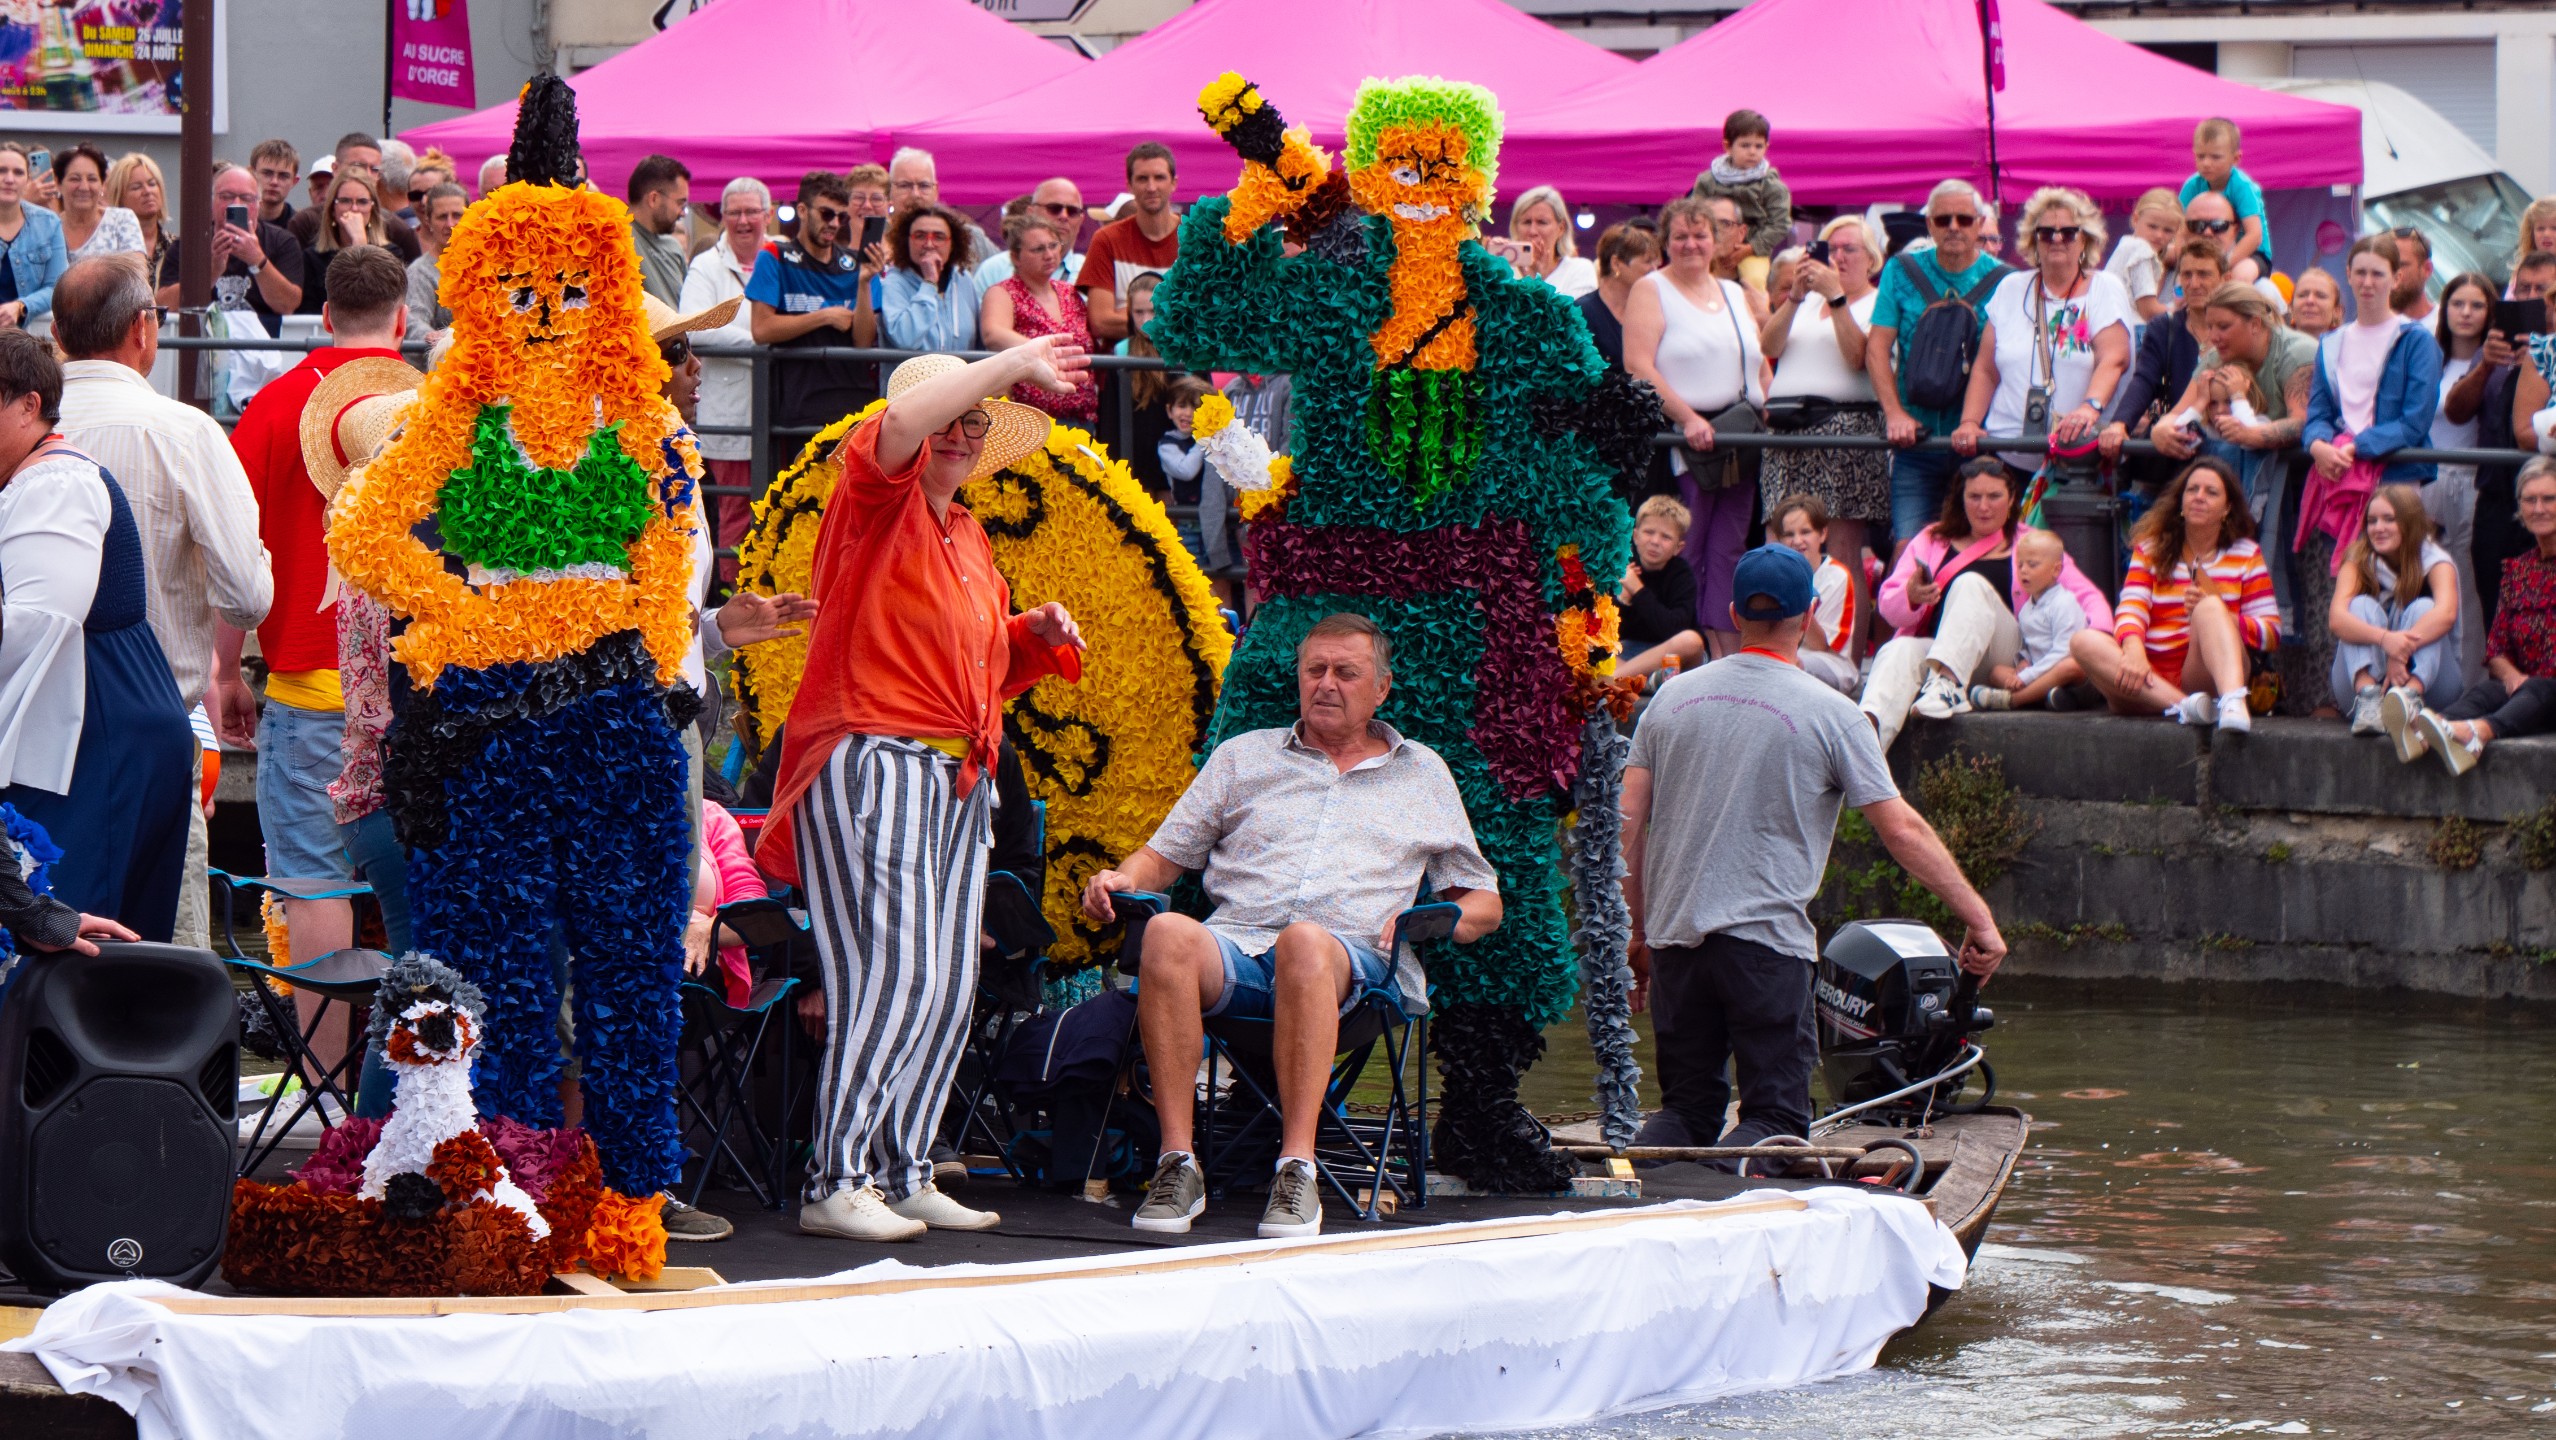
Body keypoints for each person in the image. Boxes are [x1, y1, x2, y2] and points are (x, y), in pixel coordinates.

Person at [754, 339, 1089, 1243]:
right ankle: (837, 1178)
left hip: (957, 773)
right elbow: (901, 421)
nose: (962, 435)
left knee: (948, 983)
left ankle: (902, 1171)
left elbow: (974, 668)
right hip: (876, 756)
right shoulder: (874, 497)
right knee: (897, 976)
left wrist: (1030, 633)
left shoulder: (968, 534)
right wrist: (1014, 359)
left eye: (975, 424)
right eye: (952, 420)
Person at [1086, 613, 1502, 1239]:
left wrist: (1434, 920)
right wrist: (1122, 878)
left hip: (1357, 969)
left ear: (1381, 688)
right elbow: (1162, 855)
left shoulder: (1423, 774)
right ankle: (1177, 1163)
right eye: (1315, 670)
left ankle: (1297, 1168)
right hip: (1240, 953)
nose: (1326, 684)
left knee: (1304, 940)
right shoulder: (1243, 756)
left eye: (1345, 672)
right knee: (1168, 932)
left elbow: (1483, 900)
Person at [1621, 543, 2003, 1158]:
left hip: (1676, 949)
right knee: (1776, 1119)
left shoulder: (1668, 700)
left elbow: (1625, 825)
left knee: (1684, 1112)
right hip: (1765, 950)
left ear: (1733, 613)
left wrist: (1637, 935)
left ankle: (1643, 1188)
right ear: (1809, 613)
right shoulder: (1834, 713)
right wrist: (1979, 919)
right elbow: (1902, 831)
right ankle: (1741, 1195)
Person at [55, 255, 273, 948]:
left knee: (41, 953)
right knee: (162, 968)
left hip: (32, 732)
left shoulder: (25, 424)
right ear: (143, 329)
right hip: (151, 734)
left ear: (57, 335)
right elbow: (247, 597)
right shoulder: (185, 431)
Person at [222, 246, 411, 975]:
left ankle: (322, 1053)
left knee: (313, 882)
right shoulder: (434, 409)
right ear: (403, 320)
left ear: (326, 316)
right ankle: (430, 1040)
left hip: (307, 681)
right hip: (417, 688)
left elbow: (237, 550)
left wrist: (225, 670)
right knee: (423, 882)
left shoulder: (274, 405)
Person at [0, 328, 193, 938]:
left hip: (96, 728)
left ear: (28, 404)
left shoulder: (55, 483)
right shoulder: (36, 478)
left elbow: (38, 623)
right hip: (94, 718)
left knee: (77, 941)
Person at [1865, 459, 2112, 745]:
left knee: (1970, 584)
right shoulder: (1932, 539)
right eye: (1974, 496)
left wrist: (2100, 641)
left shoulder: (2030, 543)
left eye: (1994, 496)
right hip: (1938, 649)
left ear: (2011, 499)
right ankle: (1864, 739)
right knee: (1898, 648)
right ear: (1961, 498)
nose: (1984, 506)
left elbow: (2088, 596)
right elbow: (1889, 609)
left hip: (2005, 659)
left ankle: (1948, 685)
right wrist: (1910, 595)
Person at [2299, 234, 2443, 707]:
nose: (2367, 282)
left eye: (2377, 273)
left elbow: (2415, 420)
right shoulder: (2331, 342)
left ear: (2395, 278)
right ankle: (2356, 691)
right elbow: (2318, 412)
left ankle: (2407, 691)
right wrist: (2318, 444)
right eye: (2359, 272)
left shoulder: (2416, 340)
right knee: (2346, 591)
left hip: (2396, 482)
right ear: (2348, 275)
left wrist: (2353, 447)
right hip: (2339, 480)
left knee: (2403, 586)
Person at [1625, 195, 1766, 660]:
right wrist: (1687, 418)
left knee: (1730, 547)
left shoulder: (1734, 292)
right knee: (1687, 544)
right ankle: (1684, 647)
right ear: (1666, 241)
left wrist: (1769, 409)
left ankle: (1726, 648)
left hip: (1739, 437)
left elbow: (1757, 361)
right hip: (1684, 439)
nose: (1690, 244)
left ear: (1716, 240)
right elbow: (1638, 365)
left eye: (1700, 235)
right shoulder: (1650, 288)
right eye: (1680, 236)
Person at [2070, 457, 2278, 730]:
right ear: (2181, 501)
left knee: (2209, 608)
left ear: (2227, 508)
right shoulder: (2150, 549)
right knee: (2083, 641)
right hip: (2147, 675)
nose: (2199, 497)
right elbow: (2132, 607)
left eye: (2211, 492)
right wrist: (2133, 651)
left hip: (2203, 673)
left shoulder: (2247, 555)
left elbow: (2271, 633)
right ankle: (2185, 706)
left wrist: (2223, 616)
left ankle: (2231, 701)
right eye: (2192, 490)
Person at [1951, 186, 2133, 479]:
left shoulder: (2104, 286)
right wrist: (1970, 422)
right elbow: (1985, 369)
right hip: (2006, 451)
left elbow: (2114, 359)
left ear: (2085, 240)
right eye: (2046, 233)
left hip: (2077, 456)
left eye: (2068, 233)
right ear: (2033, 240)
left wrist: (2089, 408)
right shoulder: (2011, 287)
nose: (2057, 239)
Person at [1868, 179, 2006, 552]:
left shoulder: (2006, 279)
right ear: (1929, 224)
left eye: (1964, 219)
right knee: (1908, 551)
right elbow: (1877, 348)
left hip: (1980, 443)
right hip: (1917, 440)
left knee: (1981, 549)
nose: (1954, 227)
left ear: (1980, 224)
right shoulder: (1901, 269)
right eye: (1943, 220)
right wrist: (1894, 414)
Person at [2405, 459, 2556, 773]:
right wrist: (2512, 677)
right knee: (2488, 691)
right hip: (2525, 695)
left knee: (2541, 689)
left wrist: (2529, 685)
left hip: (2548, 692)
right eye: (2530, 500)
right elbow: (2496, 648)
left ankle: (2478, 733)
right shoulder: (2517, 570)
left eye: (2549, 499)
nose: (2539, 508)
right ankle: (2430, 728)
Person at [1761, 215, 1885, 587]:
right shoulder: (1805, 303)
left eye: (1850, 249)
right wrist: (1795, 296)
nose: (1839, 257)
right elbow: (1769, 346)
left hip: (1842, 433)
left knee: (1841, 555)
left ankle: (1841, 627)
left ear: (1871, 259)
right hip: (1787, 433)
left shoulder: (1876, 302)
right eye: (1831, 249)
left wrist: (1836, 298)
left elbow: (1857, 357)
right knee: (1778, 545)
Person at [2147, 278, 2314, 515]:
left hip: (2299, 485)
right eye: (2210, 327)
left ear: (2255, 324)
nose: (2213, 337)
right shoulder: (2216, 356)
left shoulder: (2296, 353)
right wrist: (2161, 430)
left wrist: (2251, 435)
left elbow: (2302, 423)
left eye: (2223, 327)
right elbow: (2177, 413)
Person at [682, 175, 770, 571]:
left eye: (751, 211)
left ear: (768, 214)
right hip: (731, 413)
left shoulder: (779, 255)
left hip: (776, 406)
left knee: (777, 508)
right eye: (734, 213)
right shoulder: (707, 265)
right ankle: (732, 594)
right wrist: (762, 342)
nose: (743, 221)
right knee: (737, 512)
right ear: (722, 217)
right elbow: (695, 325)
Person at [746, 171, 876, 437]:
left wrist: (864, 284)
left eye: (841, 217)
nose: (834, 223)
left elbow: (864, 341)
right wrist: (824, 316)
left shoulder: (856, 264)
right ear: (803, 211)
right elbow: (761, 329)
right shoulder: (774, 255)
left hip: (855, 400)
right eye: (826, 214)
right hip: (798, 405)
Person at [2330, 483, 2461, 735]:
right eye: (2372, 521)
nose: (2378, 528)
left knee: (2425, 607)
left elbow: (2446, 614)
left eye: (2389, 519)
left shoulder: (2436, 561)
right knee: (2358, 606)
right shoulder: (2357, 559)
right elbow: (2337, 619)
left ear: (2410, 522)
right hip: (2358, 693)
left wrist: (2398, 653)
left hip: (2432, 689)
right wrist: (2385, 640)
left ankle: (2409, 697)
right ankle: (2368, 698)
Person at [2097, 239, 2230, 474]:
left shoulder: (2238, 328)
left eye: (2204, 274)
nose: (2194, 283)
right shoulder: (2163, 327)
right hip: (2174, 451)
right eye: (2186, 275)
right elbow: (2144, 380)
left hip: (2229, 449)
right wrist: (2119, 424)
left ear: (2225, 279)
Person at [2427, 270, 2497, 676]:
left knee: (2466, 589)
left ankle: (2470, 686)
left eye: (2476, 305)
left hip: (2470, 481)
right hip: (2425, 481)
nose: (2466, 313)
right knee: (2423, 585)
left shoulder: (2492, 363)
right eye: (2457, 303)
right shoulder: (2430, 359)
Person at [981, 212, 1097, 423]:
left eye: (1053, 246)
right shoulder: (1004, 292)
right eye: (1038, 249)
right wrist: (1043, 352)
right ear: (1015, 257)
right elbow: (993, 334)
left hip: (1081, 416)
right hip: (1030, 422)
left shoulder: (1069, 292)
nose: (1049, 254)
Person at [1968, 530, 2093, 711]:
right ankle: (2046, 697)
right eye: (2019, 565)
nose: (2024, 570)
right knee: (1996, 672)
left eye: (2032, 565)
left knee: (2069, 666)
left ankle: (2013, 700)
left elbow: (2064, 652)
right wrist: (2024, 662)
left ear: (2056, 570)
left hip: (2066, 674)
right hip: (2038, 672)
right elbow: (2030, 644)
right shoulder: (2026, 609)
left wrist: (2028, 676)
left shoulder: (2064, 603)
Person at [1080, 142, 1180, 344]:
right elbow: (1100, 322)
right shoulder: (1107, 240)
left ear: (1174, 183)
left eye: (1159, 177)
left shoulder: (1195, 239)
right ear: (1129, 185)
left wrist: (1128, 313)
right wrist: (1175, 317)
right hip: (1123, 361)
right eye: (1142, 178)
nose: (1151, 187)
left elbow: (1207, 317)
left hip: (1183, 361)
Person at [1769, 493, 1860, 694]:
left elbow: (1820, 645)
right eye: (1789, 534)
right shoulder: (1775, 575)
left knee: (1789, 664)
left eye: (1805, 532)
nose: (1797, 541)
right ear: (1779, 540)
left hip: (1832, 663)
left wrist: (1796, 594)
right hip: (1786, 658)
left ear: (1823, 534)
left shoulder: (1836, 576)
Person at [1687, 109, 1791, 282]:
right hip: (1711, 246)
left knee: (1755, 279)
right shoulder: (1708, 180)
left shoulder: (1772, 186)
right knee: (1693, 274)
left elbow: (1780, 224)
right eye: (1745, 145)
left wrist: (1750, 248)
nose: (1752, 151)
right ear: (1728, 146)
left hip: (1753, 249)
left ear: (1766, 147)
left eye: (1758, 146)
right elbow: (1694, 214)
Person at [287, 133, 422, 263]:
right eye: (358, 166)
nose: (367, 174)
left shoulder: (398, 231)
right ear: (335, 169)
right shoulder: (305, 223)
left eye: (374, 169)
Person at [208, 162, 303, 337]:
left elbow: (287, 305)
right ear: (212, 201)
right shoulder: (192, 243)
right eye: (226, 196)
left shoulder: (283, 241)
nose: (236, 204)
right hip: (206, 345)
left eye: (246, 198)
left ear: (258, 204)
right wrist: (212, 271)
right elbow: (168, 303)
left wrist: (257, 260)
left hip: (265, 346)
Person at [1616, 494, 1704, 682]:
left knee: (1691, 640)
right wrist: (1622, 602)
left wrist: (1638, 591)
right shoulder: (1624, 569)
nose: (1655, 541)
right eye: (1649, 532)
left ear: (1678, 547)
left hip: (1672, 654)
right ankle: (1645, 682)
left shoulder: (1682, 575)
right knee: (1591, 647)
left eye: (1666, 537)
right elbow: (1614, 634)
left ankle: (1617, 679)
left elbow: (1674, 629)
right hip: (1631, 652)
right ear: (1635, 535)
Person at [880, 203, 980, 352]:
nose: (929, 244)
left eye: (939, 237)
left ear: (952, 244)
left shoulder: (963, 278)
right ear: (907, 241)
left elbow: (978, 342)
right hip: (914, 368)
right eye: (920, 236)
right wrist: (929, 283)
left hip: (961, 367)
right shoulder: (894, 282)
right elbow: (905, 339)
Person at [2180, 117, 2270, 279]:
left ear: (2235, 159)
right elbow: (2180, 230)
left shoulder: (2242, 186)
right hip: (2206, 252)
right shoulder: (2192, 185)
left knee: (2240, 275)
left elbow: (2254, 235)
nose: (2206, 163)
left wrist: (2224, 264)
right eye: (2201, 156)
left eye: (2215, 157)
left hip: (2250, 253)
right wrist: (2182, 259)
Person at [1574, 220, 1661, 373]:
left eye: (1656, 264)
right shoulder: (1581, 313)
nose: (1655, 270)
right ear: (1616, 263)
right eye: (1648, 262)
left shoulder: (1655, 311)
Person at [297, 169, 389, 314]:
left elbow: (379, 305)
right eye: (345, 201)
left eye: (362, 202)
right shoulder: (312, 258)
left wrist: (360, 243)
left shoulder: (391, 254)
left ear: (372, 209)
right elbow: (308, 312)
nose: (354, 209)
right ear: (333, 209)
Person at [883, 147, 994, 267]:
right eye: (905, 185)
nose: (915, 194)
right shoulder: (876, 242)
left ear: (936, 191)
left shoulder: (972, 240)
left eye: (924, 186)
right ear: (889, 191)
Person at [0, 145, 68, 330]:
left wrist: (21, 306)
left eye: (18, 172)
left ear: (28, 179)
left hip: (27, 337)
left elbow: (57, 287)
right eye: (2, 170)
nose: (9, 179)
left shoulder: (49, 222)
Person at [975, 177, 1085, 290]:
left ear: (1081, 220)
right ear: (1031, 213)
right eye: (1054, 208)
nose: (1064, 216)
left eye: (1073, 211)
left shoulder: (1089, 274)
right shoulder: (994, 270)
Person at [53, 145, 142, 266]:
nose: (84, 187)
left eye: (92, 179)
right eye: (75, 179)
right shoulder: (49, 227)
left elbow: (138, 271)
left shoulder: (121, 220)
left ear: (102, 184)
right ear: (58, 183)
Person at [1500, 185, 1595, 297]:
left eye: (1542, 222)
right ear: (1515, 227)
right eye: (1526, 222)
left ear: (1561, 228)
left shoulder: (1579, 270)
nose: (1533, 231)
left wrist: (1537, 281)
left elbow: (1574, 308)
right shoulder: (1504, 273)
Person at [2105, 188, 2181, 325]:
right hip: (2131, 328)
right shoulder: (2141, 250)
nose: (2159, 235)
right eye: (2152, 226)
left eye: (2168, 230)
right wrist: (2182, 311)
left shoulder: (2126, 244)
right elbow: (2149, 311)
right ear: (2135, 219)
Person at [403, 181, 467, 338]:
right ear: (428, 221)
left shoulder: (488, 262)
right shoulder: (420, 272)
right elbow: (414, 320)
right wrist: (432, 337)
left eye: (457, 215)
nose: (450, 224)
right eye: (442, 217)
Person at [105, 153, 171, 301]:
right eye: (136, 187)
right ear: (119, 196)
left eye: (152, 184)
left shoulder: (175, 246)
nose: (147, 192)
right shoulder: (111, 249)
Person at [627, 154, 691, 307]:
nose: (683, 213)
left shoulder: (673, 247)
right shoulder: (617, 240)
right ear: (653, 199)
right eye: (680, 203)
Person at [1159, 374, 1211, 559]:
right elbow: (1187, 470)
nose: (1188, 413)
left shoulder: (1212, 439)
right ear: (1169, 410)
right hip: (1189, 523)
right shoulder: (1167, 444)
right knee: (1194, 567)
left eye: (1195, 407)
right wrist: (1204, 439)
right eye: (1182, 406)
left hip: (1215, 520)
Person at [248, 139, 301, 229]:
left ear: (294, 181)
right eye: (267, 173)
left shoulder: (300, 228)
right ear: (251, 174)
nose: (274, 182)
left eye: (283, 176)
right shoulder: (234, 222)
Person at [2391, 227, 2436, 324]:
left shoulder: (2450, 325)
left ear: (2427, 269)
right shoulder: (2367, 327)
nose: (2390, 273)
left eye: (2399, 265)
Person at [2289, 266, 2344, 337]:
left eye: (2320, 296)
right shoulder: (2276, 343)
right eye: (2302, 295)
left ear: (2337, 311)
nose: (2310, 300)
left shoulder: (2347, 343)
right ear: (2291, 308)